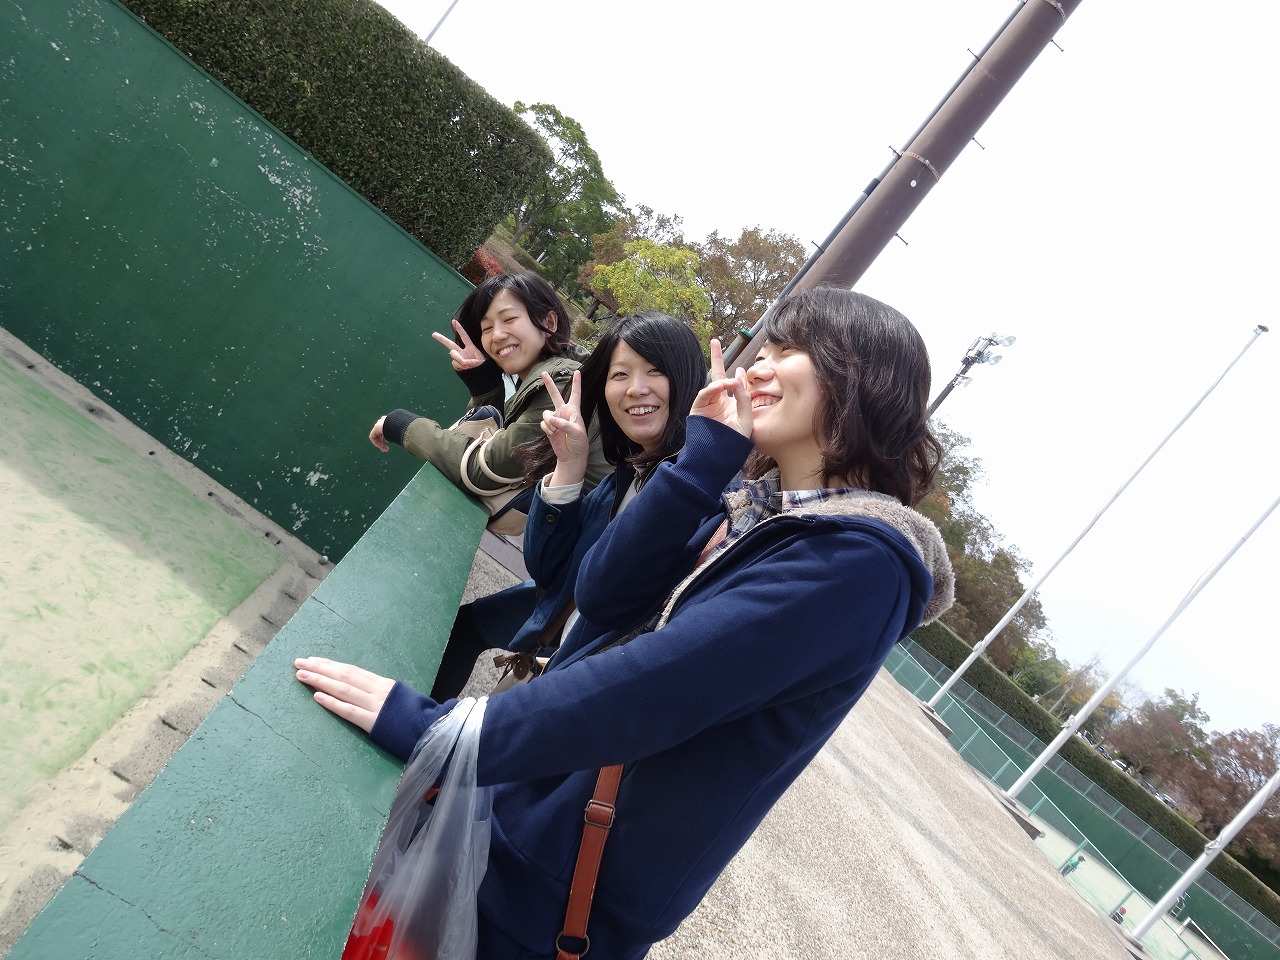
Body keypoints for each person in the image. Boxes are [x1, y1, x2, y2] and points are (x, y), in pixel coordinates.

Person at [297, 287, 955, 959]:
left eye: (790, 351)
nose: (758, 367)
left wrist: (441, 731)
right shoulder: (753, 508)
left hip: (561, 891)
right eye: (766, 349)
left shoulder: (859, 562)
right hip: (520, 828)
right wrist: (701, 462)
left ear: (860, 379)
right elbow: (603, 594)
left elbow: (657, 687)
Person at [427, 312, 706, 699]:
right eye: (620, 374)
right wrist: (569, 466)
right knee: (468, 627)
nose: (636, 389)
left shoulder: (698, 492)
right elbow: (545, 567)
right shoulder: (624, 475)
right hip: (556, 617)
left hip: (595, 672)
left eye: (655, 370)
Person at [368, 271, 610, 520]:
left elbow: (483, 471)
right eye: (487, 328)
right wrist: (483, 383)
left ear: (549, 322)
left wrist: (399, 424)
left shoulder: (561, 383)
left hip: (588, 534)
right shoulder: (552, 372)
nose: (497, 335)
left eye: (509, 319)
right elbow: (498, 438)